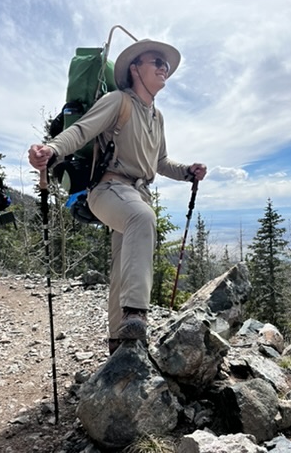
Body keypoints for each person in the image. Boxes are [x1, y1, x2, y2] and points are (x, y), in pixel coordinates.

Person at [28, 38, 207, 354]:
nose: (164, 68)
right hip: (108, 191)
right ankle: (136, 314)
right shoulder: (117, 101)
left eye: (166, 65)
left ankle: (117, 345)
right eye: (157, 62)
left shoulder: (157, 116)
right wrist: (52, 149)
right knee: (142, 218)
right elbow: (82, 130)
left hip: (137, 194)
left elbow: (161, 162)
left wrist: (187, 171)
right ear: (135, 68)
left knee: (121, 269)